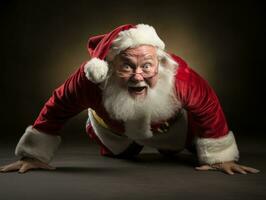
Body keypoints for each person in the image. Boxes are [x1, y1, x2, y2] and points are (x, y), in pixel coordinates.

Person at [0, 24, 259, 175]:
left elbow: (208, 106)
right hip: (114, 127)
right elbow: (57, 107)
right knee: (120, 153)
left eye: (147, 66)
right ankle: (112, 137)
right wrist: (34, 154)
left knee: (184, 145)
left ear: (160, 63)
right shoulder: (89, 80)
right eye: (126, 67)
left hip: (168, 127)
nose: (138, 76)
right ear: (109, 68)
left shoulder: (181, 77)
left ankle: (178, 145)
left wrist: (219, 156)